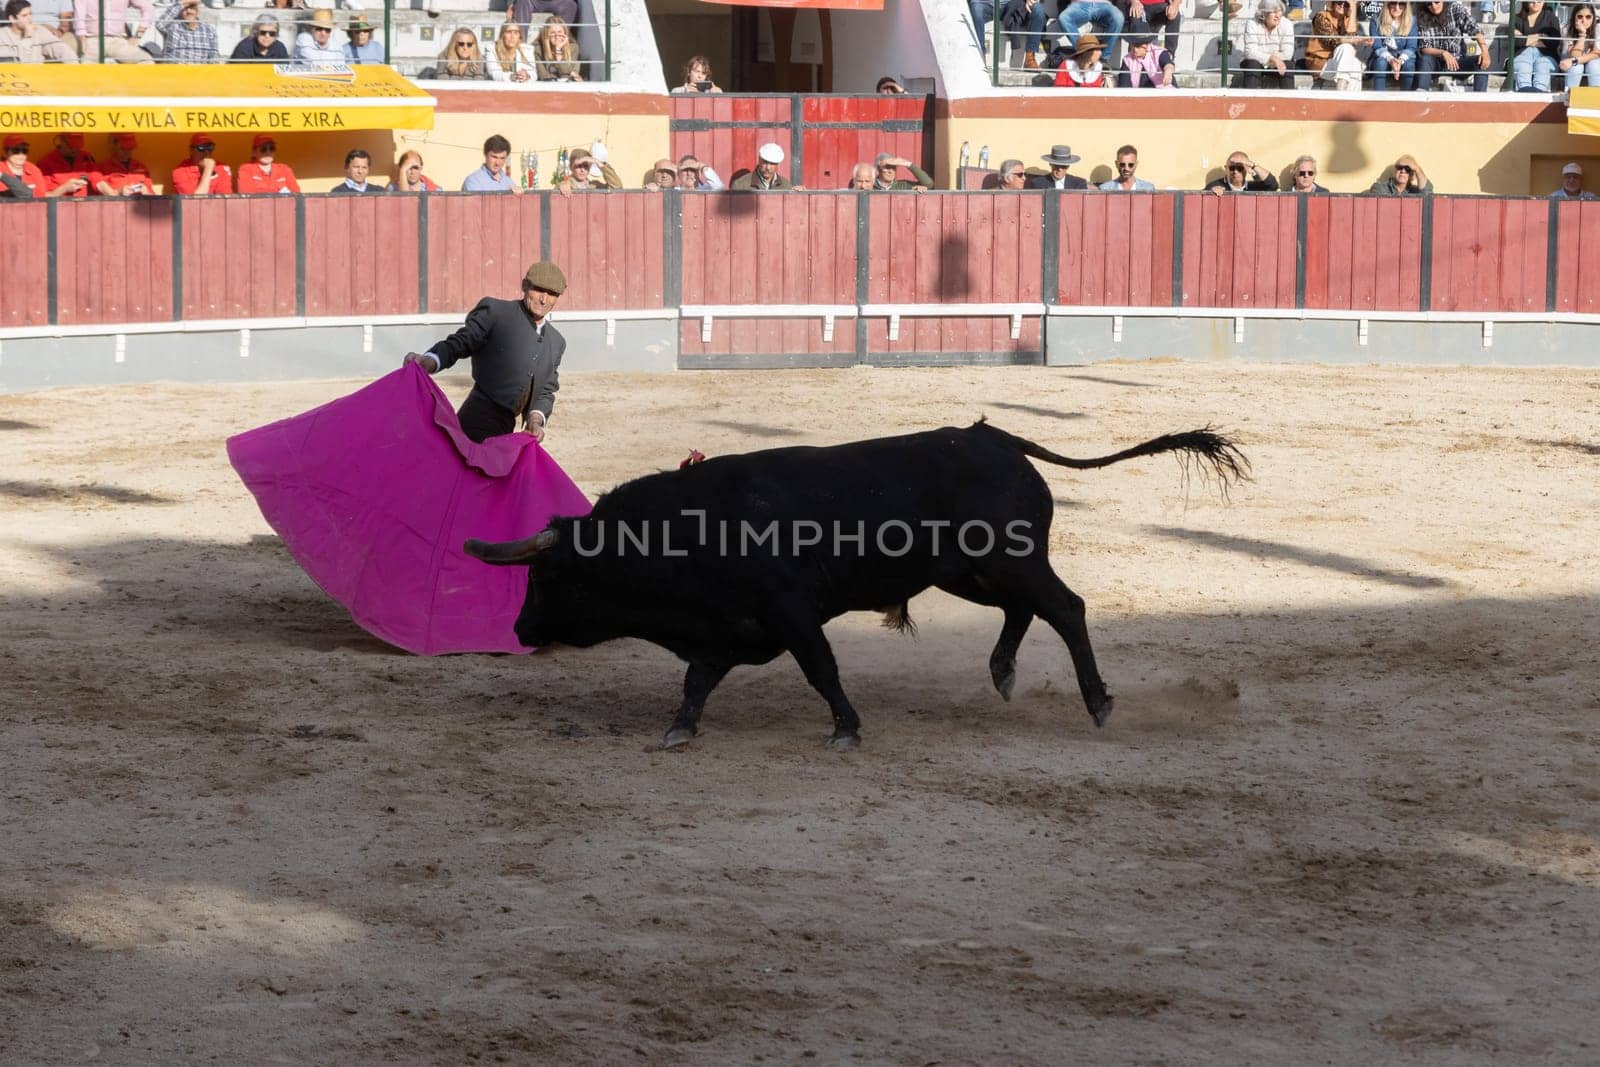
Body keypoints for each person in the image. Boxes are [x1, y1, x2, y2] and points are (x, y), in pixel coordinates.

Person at [402, 260, 569, 445]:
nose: (544, 299)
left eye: (552, 294)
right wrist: (431, 360)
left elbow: (546, 390)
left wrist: (536, 420)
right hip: (478, 417)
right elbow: (462, 341)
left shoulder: (556, 342)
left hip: (508, 426)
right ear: (524, 286)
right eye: (538, 290)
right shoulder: (496, 312)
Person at [1415, 0, 1491, 92]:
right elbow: (1424, 47)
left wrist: (1485, 50)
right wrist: (1443, 53)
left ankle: (1480, 99)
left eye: (1436, 2)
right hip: (1436, 62)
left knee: (1482, 61)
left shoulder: (1454, 8)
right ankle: (1421, 96)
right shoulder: (1422, 13)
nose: (1434, 6)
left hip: (1458, 62)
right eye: (1429, 4)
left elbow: (1474, 28)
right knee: (1425, 59)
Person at [1306, 0, 1367, 89]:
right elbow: (1332, 40)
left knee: (1356, 64)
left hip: (1339, 62)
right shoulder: (1321, 16)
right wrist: (1355, 40)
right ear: (1333, 3)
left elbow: (1350, 37)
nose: (1342, 5)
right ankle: (1341, 90)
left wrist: (1353, 6)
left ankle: (1351, 98)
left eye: (1346, 4)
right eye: (1339, 2)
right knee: (1346, 47)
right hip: (1321, 63)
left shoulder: (1348, 20)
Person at [70, 0, 154, 63]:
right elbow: (79, 17)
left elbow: (148, 8)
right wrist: (83, 41)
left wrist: (137, 37)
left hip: (118, 41)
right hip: (92, 40)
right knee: (86, 70)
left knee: (146, 61)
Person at [1241, 0, 1296, 88]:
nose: (1278, 16)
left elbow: (1287, 54)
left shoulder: (1287, 24)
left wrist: (1268, 58)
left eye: (1279, 11)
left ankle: (1289, 100)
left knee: (1288, 65)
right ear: (1263, 13)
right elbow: (1250, 52)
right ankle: (1250, 100)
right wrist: (1272, 58)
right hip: (1257, 63)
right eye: (1273, 12)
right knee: (1252, 65)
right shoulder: (1252, 24)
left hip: (1277, 64)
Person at [0, 0, 78, 62]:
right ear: (12, 19)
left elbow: (62, 50)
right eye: (24, 15)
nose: (29, 18)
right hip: (13, 78)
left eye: (30, 14)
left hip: (38, 77)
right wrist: (28, 37)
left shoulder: (39, 31)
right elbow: (21, 62)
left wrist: (75, 68)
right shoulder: (3, 36)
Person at [1512, 0, 1562, 91]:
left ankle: (1539, 94)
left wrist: (1526, 38)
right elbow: (1516, 41)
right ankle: (1524, 93)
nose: (1535, 2)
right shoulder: (1516, 19)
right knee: (1523, 64)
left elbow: (1554, 42)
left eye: (1539, 0)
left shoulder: (1551, 18)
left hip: (1547, 56)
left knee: (1542, 65)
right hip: (1522, 55)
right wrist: (1542, 36)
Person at [1367, 0, 1417, 90]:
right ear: (1387, 4)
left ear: (1406, 5)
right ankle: (1378, 98)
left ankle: (1408, 99)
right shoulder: (1376, 19)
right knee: (1380, 63)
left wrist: (1400, 60)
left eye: (1401, 3)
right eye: (1393, 3)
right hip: (1383, 55)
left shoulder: (1412, 20)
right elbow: (1377, 46)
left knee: (1409, 65)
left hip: (1404, 55)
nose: (1397, 8)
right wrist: (1391, 60)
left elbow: (1411, 46)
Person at [1112, 0, 1180, 56]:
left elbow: (1175, 4)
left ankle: (1169, 56)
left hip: (1161, 6)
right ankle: (1134, 60)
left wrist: (1175, 4)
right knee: (1135, 15)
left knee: (1175, 16)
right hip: (1139, 4)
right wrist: (1134, 2)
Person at [1057, 0, 1124, 54]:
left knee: (1118, 18)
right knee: (1064, 17)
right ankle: (1083, 52)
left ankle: (1103, 58)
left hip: (1104, 4)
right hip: (1080, 4)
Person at [1562, 4, 1600, 89]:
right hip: (1570, 59)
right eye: (1580, 16)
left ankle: (1596, 97)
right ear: (1574, 17)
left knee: (1594, 65)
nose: (1584, 20)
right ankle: (1569, 96)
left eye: (1588, 17)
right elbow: (1574, 55)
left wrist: (1574, 61)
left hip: (1589, 60)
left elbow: (1597, 54)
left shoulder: (1598, 28)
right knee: (1576, 67)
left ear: (1593, 18)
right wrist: (1582, 34)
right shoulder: (1567, 29)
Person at [731, 142, 799, 190]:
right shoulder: (740, 185)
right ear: (759, 160)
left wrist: (799, 195)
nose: (768, 168)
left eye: (772, 163)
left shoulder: (786, 186)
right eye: (765, 162)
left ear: (777, 164)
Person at [488, 13, 535, 81]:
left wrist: (527, 75)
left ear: (519, 36)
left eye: (516, 33)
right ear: (502, 35)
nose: (512, 36)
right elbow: (493, 73)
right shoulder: (491, 48)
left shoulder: (527, 49)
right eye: (509, 32)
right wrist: (511, 76)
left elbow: (534, 73)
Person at [533, 14, 581, 80]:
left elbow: (565, 73)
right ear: (546, 34)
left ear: (565, 33)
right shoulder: (538, 49)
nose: (557, 35)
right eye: (552, 32)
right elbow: (543, 75)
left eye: (559, 32)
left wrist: (557, 50)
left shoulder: (573, 47)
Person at [1207, 151, 1280, 193]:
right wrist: (1211, 193)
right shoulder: (1215, 186)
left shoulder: (1253, 187)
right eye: (1232, 168)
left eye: (1239, 168)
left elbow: (1273, 185)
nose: (1235, 171)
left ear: (1247, 169)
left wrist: (1252, 165)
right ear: (1226, 168)